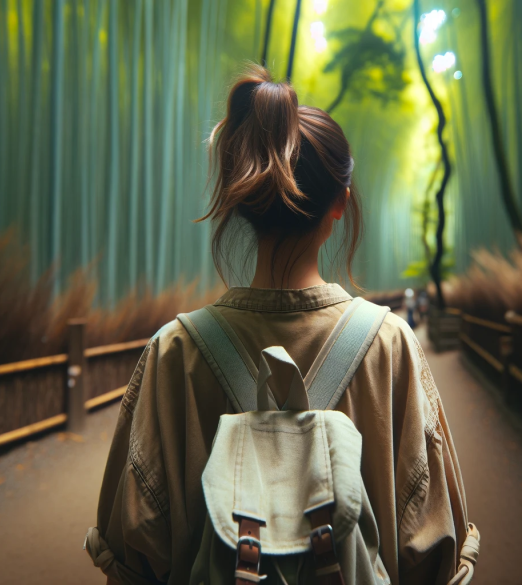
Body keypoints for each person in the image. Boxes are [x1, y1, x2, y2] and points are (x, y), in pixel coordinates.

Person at [85, 65, 468, 585]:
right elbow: (433, 551)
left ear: (241, 205)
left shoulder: (174, 352)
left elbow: (133, 557)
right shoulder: (389, 345)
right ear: (341, 204)